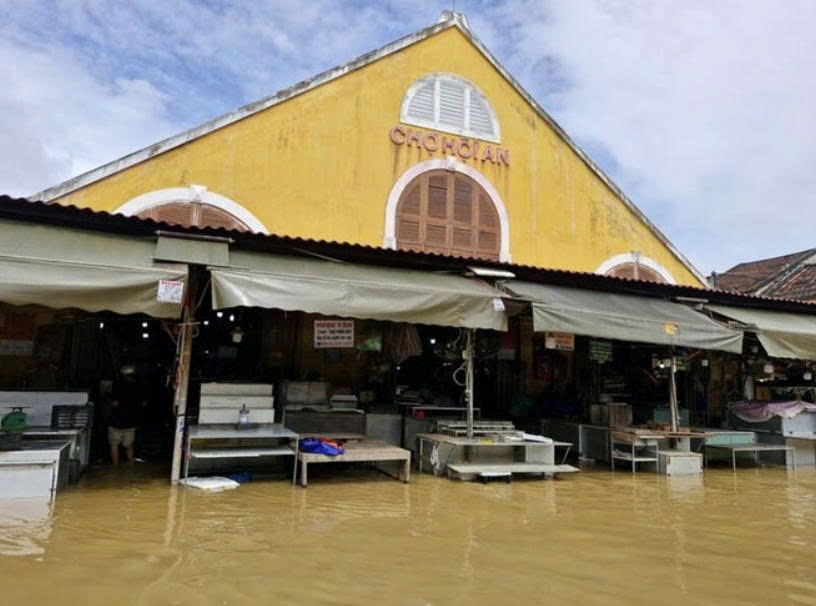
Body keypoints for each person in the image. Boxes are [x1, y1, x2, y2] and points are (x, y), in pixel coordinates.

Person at [107, 364, 146, 464]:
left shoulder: (117, 385)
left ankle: (115, 467)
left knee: (114, 445)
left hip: (116, 421)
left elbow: (114, 403)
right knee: (129, 445)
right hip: (130, 422)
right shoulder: (138, 387)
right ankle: (130, 465)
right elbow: (143, 403)